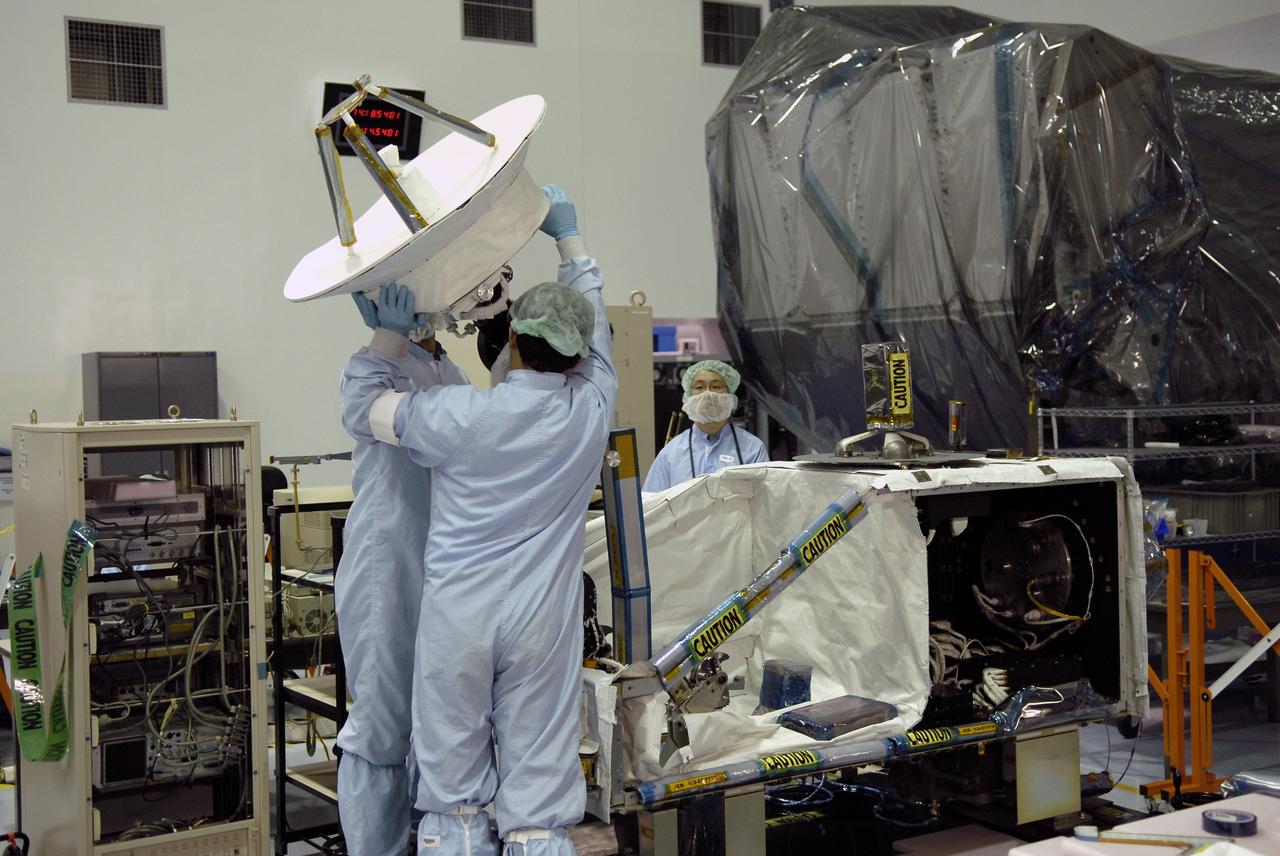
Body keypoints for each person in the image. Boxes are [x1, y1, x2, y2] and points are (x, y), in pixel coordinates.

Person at [341, 184, 615, 856]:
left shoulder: (458, 415)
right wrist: (568, 239)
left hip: (457, 617)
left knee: (452, 796)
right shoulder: (591, 409)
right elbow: (599, 331)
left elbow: (364, 407)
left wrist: (385, 337)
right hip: (540, 622)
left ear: (513, 342)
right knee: (536, 801)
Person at [335, 299, 470, 856]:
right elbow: (357, 409)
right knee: (381, 725)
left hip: (442, 563)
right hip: (386, 564)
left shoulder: (452, 371)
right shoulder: (373, 364)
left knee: (436, 720)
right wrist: (386, 337)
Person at [642, 359, 769, 493]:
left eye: (716, 387)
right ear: (688, 397)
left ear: (730, 396)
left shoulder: (752, 449)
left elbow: (764, 502)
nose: (707, 394)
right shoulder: (670, 454)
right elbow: (651, 504)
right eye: (699, 387)